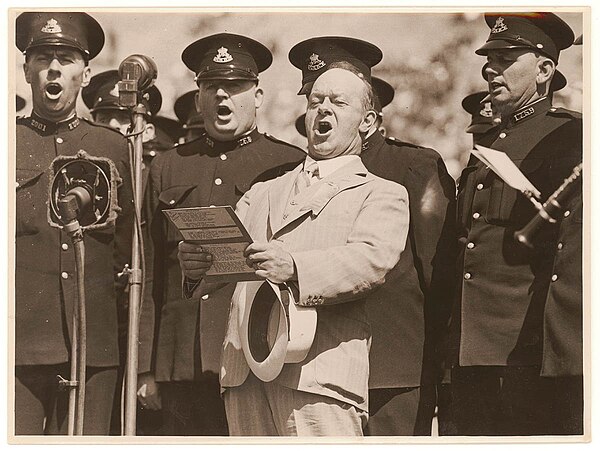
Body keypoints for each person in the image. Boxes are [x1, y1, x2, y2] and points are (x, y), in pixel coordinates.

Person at [178, 36, 410, 437]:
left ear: (367, 122)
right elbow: (231, 258)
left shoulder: (381, 192)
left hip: (319, 379)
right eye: (316, 100)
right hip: (246, 375)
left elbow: (371, 260)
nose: (323, 109)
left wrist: (296, 267)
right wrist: (200, 266)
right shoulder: (264, 190)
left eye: (338, 103)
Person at [138, 33, 305, 436]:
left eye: (234, 87)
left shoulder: (289, 163)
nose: (222, 97)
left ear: (258, 95)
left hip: (257, 354)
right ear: (198, 98)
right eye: (212, 87)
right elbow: (148, 269)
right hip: (182, 360)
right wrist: (145, 364)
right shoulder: (168, 166)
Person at [447, 13, 582, 435]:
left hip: (528, 355)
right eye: (489, 58)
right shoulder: (488, 143)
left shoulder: (571, 138)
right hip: (471, 352)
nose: (491, 68)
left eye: (506, 57)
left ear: (544, 70)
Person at [14, 12, 133, 435]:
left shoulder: (112, 148)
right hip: (17, 348)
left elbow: (132, 252)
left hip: (93, 346)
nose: (54, 68)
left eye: (65, 59)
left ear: (84, 74)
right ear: (26, 69)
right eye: (43, 57)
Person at [82, 69, 167, 188]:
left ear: (148, 132)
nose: (112, 125)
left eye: (124, 117)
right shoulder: (80, 177)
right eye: (104, 119)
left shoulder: (159, 182)